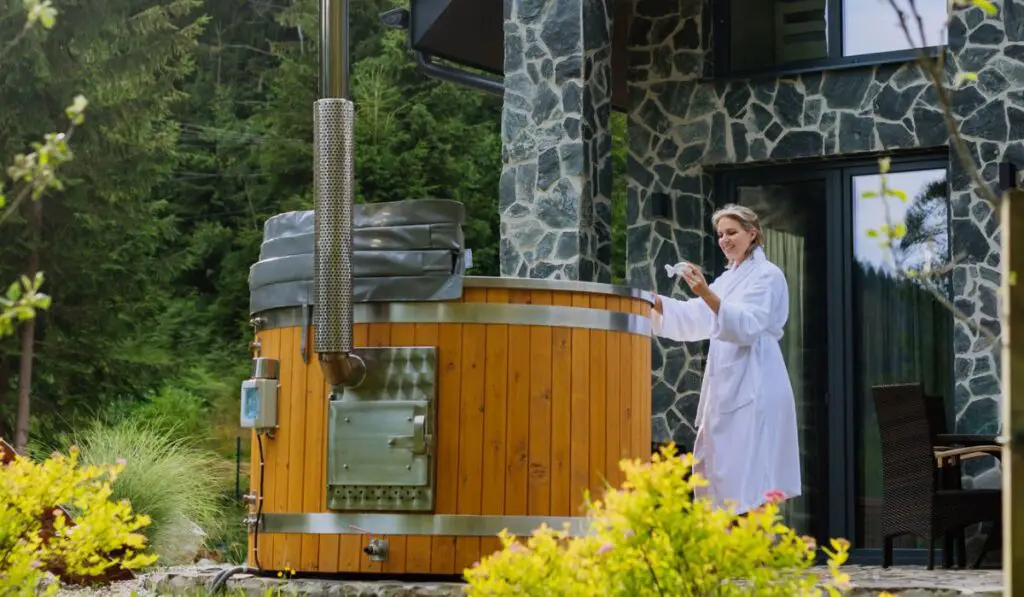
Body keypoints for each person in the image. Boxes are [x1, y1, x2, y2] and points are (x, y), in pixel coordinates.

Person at [651, 203, 801, 516]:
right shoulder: (729, 279)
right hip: (728, 386)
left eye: (731, 232)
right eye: (720, 234)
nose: (724, 240)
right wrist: (656, 302)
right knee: (724, 473)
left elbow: (747, 326)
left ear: (753, 234)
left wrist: (706, 292)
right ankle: (726, 555)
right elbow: (697, 316)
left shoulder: (767, 276)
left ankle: (754, 554)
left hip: (757, 381)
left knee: (754, 476)